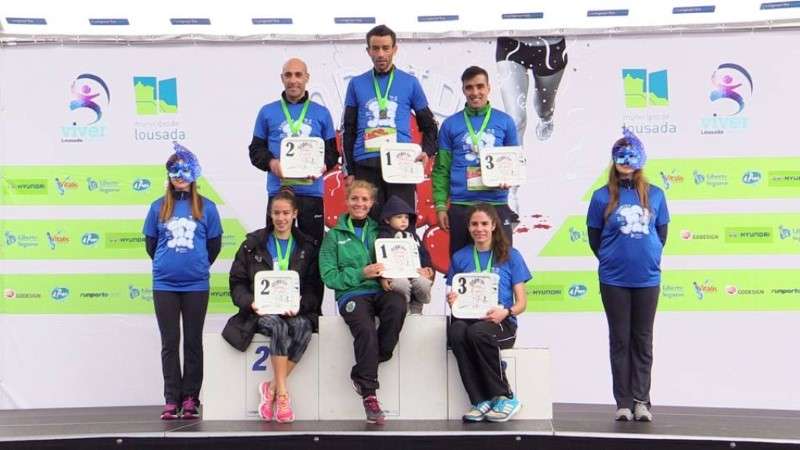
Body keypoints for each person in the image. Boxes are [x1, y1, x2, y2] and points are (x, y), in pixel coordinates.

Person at [586, 129, 669, 422]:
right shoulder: (600, 197)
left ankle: (641, 400)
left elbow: (662, 234)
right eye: (621, 155)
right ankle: (622, 401)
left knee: (642, 339)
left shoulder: (656, 194)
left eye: (632, 155)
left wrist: (646, 258)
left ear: (641, 160)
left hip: (647, 280)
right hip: (614, 281)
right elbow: (594, 238)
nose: (626, 160)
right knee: (620, 339)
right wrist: (612, 259)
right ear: (613, 159)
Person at [222, 189, 321, 424]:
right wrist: (251, 303)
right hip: (262, 313)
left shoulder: (307, 246)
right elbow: (237, 283)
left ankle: (272, 387)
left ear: (295, 214)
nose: (281, 218)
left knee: (303, 327)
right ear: (270, 213)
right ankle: (283, 395)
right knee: (278, 327)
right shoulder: (252, 244)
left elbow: (314, 289)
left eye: (286, 213)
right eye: (276, 213)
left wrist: (300, 304)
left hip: (291, 310)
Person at [143, 143, 223, 420]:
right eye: (173, 170)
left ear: (195, 173)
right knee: (169, 342)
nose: (179, 174)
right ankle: (170, 398)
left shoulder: (208, 208)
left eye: (184, 169)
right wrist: (170, 266)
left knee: (192, 341)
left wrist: (196, 266)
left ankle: (190, 397)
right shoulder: (157, 208)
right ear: (168, 175)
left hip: (196, 286)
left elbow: (214, 246)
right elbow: (151, 246)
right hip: (164, 285)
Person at [319, 180, 407, 424]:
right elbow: (329, 277)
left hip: (379, 289)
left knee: (398, 304)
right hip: (351, 294)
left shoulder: (380, 230)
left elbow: (398, 256)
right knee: (366, 330)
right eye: (355, 199)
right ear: (346, 201)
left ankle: (370, 363)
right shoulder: (333, 236)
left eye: (365, 199)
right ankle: (369, 394)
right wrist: (361, 273)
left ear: (372, 203)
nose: (359, 203)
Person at [342, 24, 438, 218]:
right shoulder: (356, 84)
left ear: (395, 49)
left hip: (400, 164)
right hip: (365, 164)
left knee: (401, 223)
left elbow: (429, 125)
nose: (380, 54)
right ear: (368, 51)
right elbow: (348, 130)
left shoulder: (410, 83)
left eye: (386, 48)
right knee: (368, 226)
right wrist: (349, 171)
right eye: (375, 48)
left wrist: (427, 151)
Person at [446, 203, 530, 422]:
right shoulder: (460, 257)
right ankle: (480, 400)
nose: (479, 228)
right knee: (456, 332)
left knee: (478, 333)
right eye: (474, 224)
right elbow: (454, 296)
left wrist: (506, 312)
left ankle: (506, 395)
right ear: (468, 227)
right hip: (469, 318)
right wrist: (452, 300)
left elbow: (522, 303)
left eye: (484, 223)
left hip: (502, 322)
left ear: (493, 225)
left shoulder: (511, 255)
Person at [248, 57, 339, 245]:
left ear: (307, 78)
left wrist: (321, 168)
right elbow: (256, 150)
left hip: (311, 192)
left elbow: (332, 152)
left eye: (298, 75)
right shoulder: (267, 112)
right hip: (279, 192)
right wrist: (272, 163)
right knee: (276, 246)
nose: (293, 80)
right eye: (288, 75)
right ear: (282, 78)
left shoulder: (321, 113)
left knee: (312, 249)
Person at [433, 66, 519, 256]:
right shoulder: (450, 124)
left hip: (495, 203)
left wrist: (509, 178)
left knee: (502, 262)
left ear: (489, 88)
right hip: (461, 205)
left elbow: (515, 162)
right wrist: (440, 205)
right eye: (469, 87)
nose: (475, 92)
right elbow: (442, 168)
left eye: (480, 86)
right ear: (463, 90)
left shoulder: (505, 122)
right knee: (461, 262)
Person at [496, 36, 569, 218]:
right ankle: (511, 189)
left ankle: (546, 117)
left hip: (550, 45)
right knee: (515, 118)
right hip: (512, 42)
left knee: (545, 104)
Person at [377, 195, 435, 314]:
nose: (404, 220)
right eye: (399, 217)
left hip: (415, 272)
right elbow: (378, 259)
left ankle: (417, 306)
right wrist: (382, 277)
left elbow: (424, 254)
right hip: (395, 275)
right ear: (387, 220)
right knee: (400, 284)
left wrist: (427, 268)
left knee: (423, 283)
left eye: (406, 217)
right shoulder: (382, 237)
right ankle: (405, 307)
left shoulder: (413, 236)